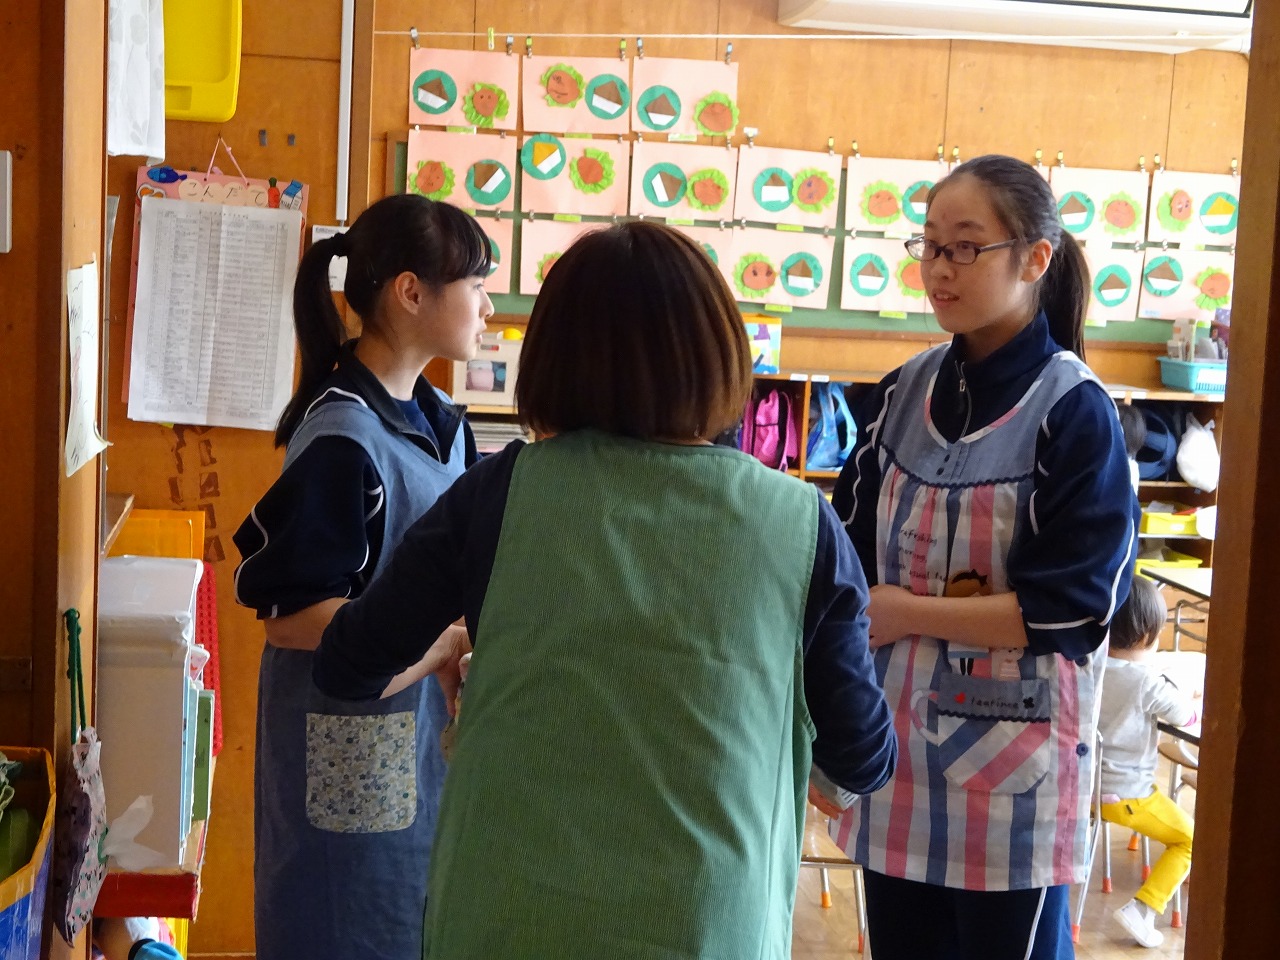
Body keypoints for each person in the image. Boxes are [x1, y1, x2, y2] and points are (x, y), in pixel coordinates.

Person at [312, 221, 898, 959]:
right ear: (718, 353)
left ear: (551, 357)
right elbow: (862, 760)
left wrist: (454, 645)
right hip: (705, 925)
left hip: (505, 917)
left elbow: (348, 665)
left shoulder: (499, 492)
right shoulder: (801, 523)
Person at [828, 154, 1138, 960]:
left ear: (1035, 259)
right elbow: (846, 555)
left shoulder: (1074, 412)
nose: (939, 268)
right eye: (929, 245)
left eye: (965, 247)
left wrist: (908, 613)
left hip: (1011, 783)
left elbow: (1073, 610)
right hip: (896, 759)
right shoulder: (900, 394)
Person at [231, 194, 493, 960]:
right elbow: (293, 620)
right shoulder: (342, 436)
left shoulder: (444, 424)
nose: (487, 306)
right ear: (411, 292)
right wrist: (445, 644)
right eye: (476, 285)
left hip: (419, 749)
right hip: (345, 771)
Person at [1097, 575, 1197, 948]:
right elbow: (1186, 716)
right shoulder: (1146, 682)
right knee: (1191, 840)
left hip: (1084, 790)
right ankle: (1144, 909)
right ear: (1147, 635)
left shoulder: (1087, 666)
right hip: (1127, 797)